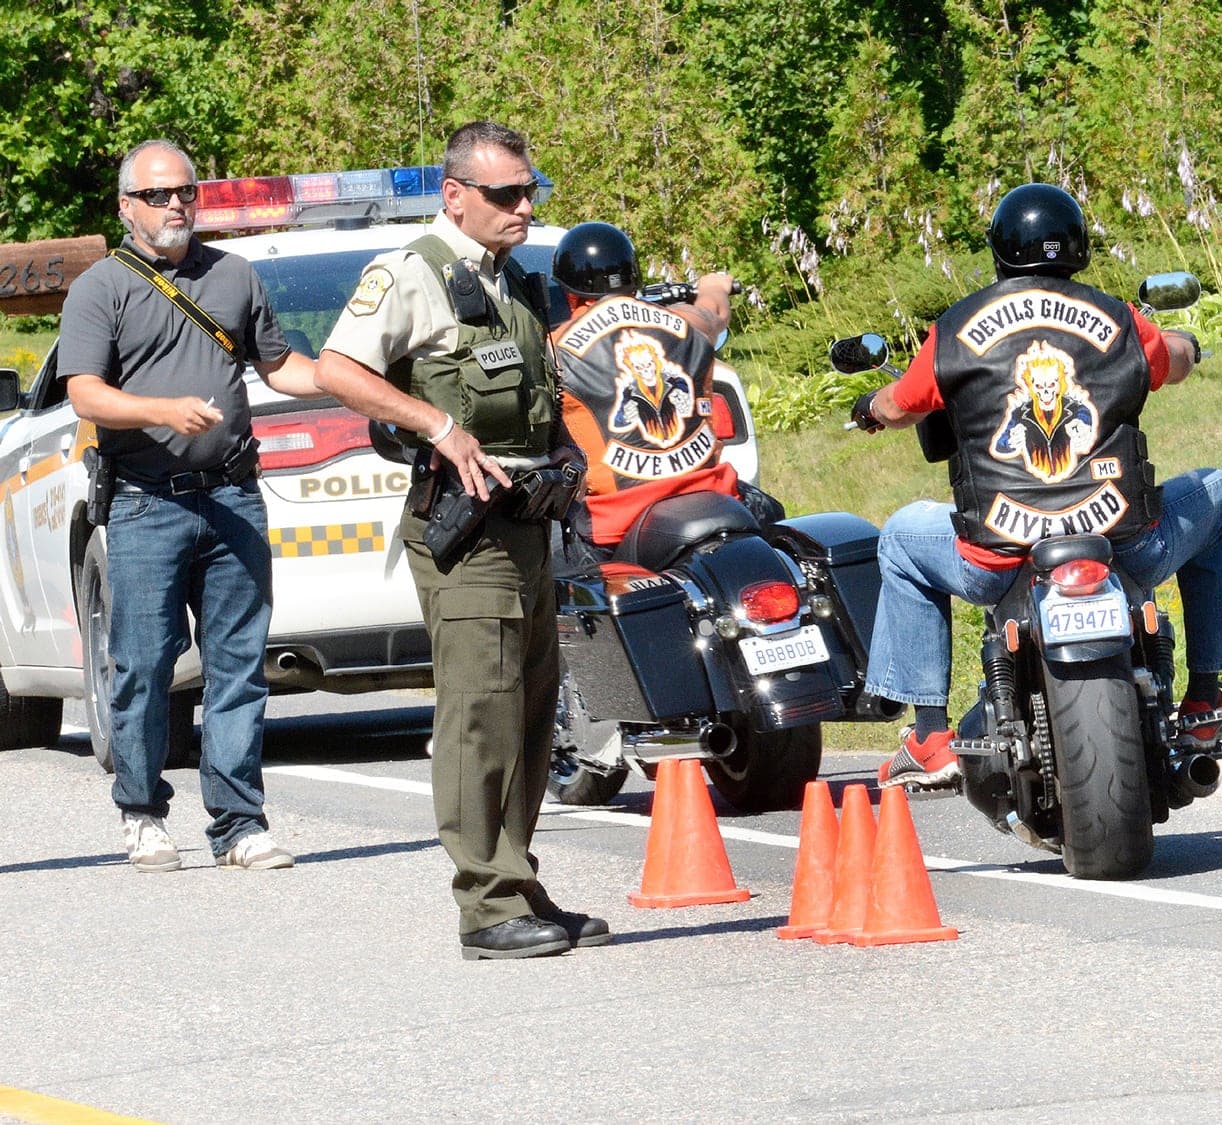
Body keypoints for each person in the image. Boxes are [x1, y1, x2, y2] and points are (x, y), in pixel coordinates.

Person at [851, 182, 1222, 788]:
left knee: (898, 537)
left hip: (994, 556)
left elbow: (900, 403)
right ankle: (1204, 698)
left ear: (1000, 252)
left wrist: (871, 407)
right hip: (1122, 542)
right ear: (1078, 248)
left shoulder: (953, 328)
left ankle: (929, 734)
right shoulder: (1121, 319)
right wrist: (1186, 347)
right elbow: (1171, 364)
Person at [314, 121, 603, 960]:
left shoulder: (511, 281)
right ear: (455, 196)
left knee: (531, 711)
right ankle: (486, 905)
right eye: (505, 194)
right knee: (480, 713)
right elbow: (339, 366)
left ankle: (517, 880)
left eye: (529, 191)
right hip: (464, 528)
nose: (523, 207)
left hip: (526, 521)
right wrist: (435, 423)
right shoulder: (411, 274)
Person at [60, 139, 320, 873]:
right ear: (126, 207)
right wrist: (159, 410)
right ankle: (142, 812)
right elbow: (84, 391)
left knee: (238, 665)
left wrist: (351, 375)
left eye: (185, 192)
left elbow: (281, 364)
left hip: (233, 495)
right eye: (158, 194)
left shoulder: (234, 275)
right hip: (146, 504)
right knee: (144, 666)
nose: (176, 205)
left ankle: (240, 823)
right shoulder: (101, 288)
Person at [544, 220, 783, 563]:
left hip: (615, 526)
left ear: (568, 294)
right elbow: (714, 312)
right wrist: (713, 285)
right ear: (634, 278)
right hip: (715, 495)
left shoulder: (553, 349)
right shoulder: (689, 323)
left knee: (550, 588)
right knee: (778, 527)